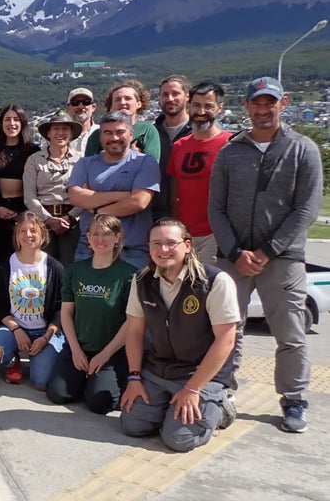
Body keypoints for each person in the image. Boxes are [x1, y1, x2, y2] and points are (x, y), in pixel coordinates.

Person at [208, 76, 323, 434]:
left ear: (283, 103)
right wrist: (235, 251)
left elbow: (307, 208)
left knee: (290, 333)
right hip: (233, 257)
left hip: (283, 259)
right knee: (229, 328)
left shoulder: (303, 149)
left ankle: (293, 399)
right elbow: (216, 208)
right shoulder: (230, 152)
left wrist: (267, 251)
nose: (262, 110)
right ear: (246, 106)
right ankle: (223, 391)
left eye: (269, 103)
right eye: (256, 103)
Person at [120, 219, 240, 452]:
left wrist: (194, 388)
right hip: (159, 370)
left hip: (200, 375)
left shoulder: (215, 281)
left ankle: (220, 407)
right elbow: (134, 331)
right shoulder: (142, 280)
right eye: (156, 243)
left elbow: (226, 340)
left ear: (187, 245)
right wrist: (134, 378)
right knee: (132, 426)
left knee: (179, 440)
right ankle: (169, 407)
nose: (163, 250)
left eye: (170, 243)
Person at [47, 214, 137, 413]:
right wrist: (76, 350)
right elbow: (66, 313)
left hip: (111, 352)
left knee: (99, 404)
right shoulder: (75, 270)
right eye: (95, 234)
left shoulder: (129, 274)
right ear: (87, 237)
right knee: (58, 394)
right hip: (79, 347)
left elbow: (131, 322)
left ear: (117, 237)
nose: (100, 239)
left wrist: (104, 355)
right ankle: (85, 380)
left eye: (106, 234)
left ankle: (103, 381)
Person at [67, 111, 160, 268]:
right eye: (108, 133)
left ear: (131, 134)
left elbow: (138, 202)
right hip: (90, 248)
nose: (114, 138)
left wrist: (96, 209)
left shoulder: (145, 162)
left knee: (134, 293)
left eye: (120, 132)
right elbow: (76, 197)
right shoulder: (85, 164)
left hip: (132, 250)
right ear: (100, 136)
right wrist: (123, 195)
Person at [0, 212, 65, 388]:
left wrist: (46, 337)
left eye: (33, 231)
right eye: (23, 231)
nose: (28, 235)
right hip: (14, 326)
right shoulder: (6, 265)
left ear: (43, 235)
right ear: (16, 235)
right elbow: (0, 305)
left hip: (44, 331)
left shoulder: (55, 268)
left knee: (41, 382)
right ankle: (13, 360)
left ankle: (40, 358)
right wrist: (16, 329)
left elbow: (60, 308)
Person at [167, 82, 229, 263]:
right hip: (184, 234)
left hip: (215, 235)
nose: (201, 112)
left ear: (220, 108)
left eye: (208, 106)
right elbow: (174, 192)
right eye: (196, 105)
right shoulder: (179, 146)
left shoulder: (230, 144)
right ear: (189, 106)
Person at [24, 109, 82, 267]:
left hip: (71, 222)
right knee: (44, 266)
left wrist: (70, 217)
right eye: (56, 129)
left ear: (71, 133)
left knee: (69, 266)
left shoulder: (81, 160)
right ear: (48, 133)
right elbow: (29, 196)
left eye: (65, 129)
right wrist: (48, 219)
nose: (60, 133)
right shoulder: (34, 160)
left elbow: (86, 194)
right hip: (42, 220)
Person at [0, 105, 40, 262]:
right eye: (7, 119)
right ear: (1, 124)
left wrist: (21, 211)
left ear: (23, 123)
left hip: (22, 211)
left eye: (16, 119)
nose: (11, 123)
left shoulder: (33, 151)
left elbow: (35, 184)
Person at [83, 80, 162, 161]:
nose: (122, 102)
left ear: (139, 104)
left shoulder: (147, 131)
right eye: (117, 99)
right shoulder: (97, 135)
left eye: (128, 98)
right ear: (111, 106)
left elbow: (152, 164)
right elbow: (88, 165)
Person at [150, 74, 193, 219]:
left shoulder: (199, 133)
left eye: (175, 94)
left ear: (187, 96)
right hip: (155, 217)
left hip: (190, 216)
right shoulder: (150, 135)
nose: (170, 99)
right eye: (165, 94)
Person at [66, 88, 97, 155]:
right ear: (67, 108)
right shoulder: (59, 136)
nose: (80, 106)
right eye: (75, 103)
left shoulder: (103, 132)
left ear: (93, 107)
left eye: (86, 102)